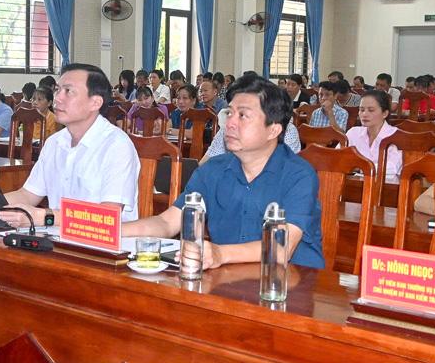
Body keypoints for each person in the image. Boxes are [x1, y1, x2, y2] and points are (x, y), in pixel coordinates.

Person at [122, 75, 324, 269]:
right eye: (229, 113)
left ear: (273, 130)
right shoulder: (212, 170)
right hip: (227, 278)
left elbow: (281, 248)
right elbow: (167, 222)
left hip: (290, 282)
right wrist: (113, 231)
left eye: (243, 116)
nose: (230, 123)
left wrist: (220, 254)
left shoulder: (299, 175)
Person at [0, 64, 139, 228]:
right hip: (57, 236)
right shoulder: (54, 142)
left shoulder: (117, 146)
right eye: (58, 90)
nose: (57, 98)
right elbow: (27, 195)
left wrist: (46, 217)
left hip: (103, 241)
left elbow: (108, 216)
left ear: (95, 103)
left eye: (68, 91)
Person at [346, 89, 400, 179]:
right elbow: (337, 158)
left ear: (385, 113)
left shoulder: (396, 135)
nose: (364, 114)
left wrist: (360, 168)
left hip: (387, 185)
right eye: (361, 110)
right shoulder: (353, 133)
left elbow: (393, 167)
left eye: (371, 110)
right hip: (354, 184)